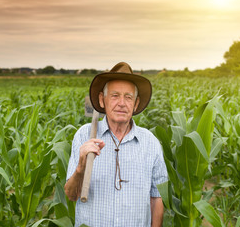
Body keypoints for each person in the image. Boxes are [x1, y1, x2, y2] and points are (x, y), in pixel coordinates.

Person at [64, 62, 168, 227]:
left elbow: (157, 197)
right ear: (101, 100)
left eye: (128, 97)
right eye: (114, 95)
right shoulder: (84, 135)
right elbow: (71, 195)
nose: (121, 103)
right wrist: (80, 167)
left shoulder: (150, 142)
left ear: (135, 104)